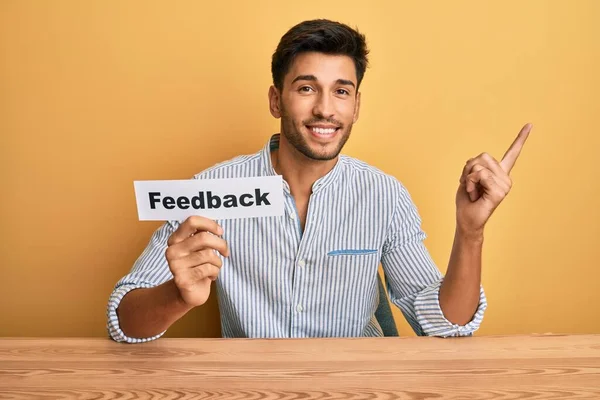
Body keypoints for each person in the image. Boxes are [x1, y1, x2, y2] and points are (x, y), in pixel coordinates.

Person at [107, 19, 531, 342]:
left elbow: (443, 327)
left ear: (356, 105)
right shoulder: (211, 190)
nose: (325, 109)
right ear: (276, 99)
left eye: (341, 91)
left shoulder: (383, 194)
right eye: (307, 88)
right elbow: (122, 321)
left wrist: (471, 232)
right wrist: (177, 296)